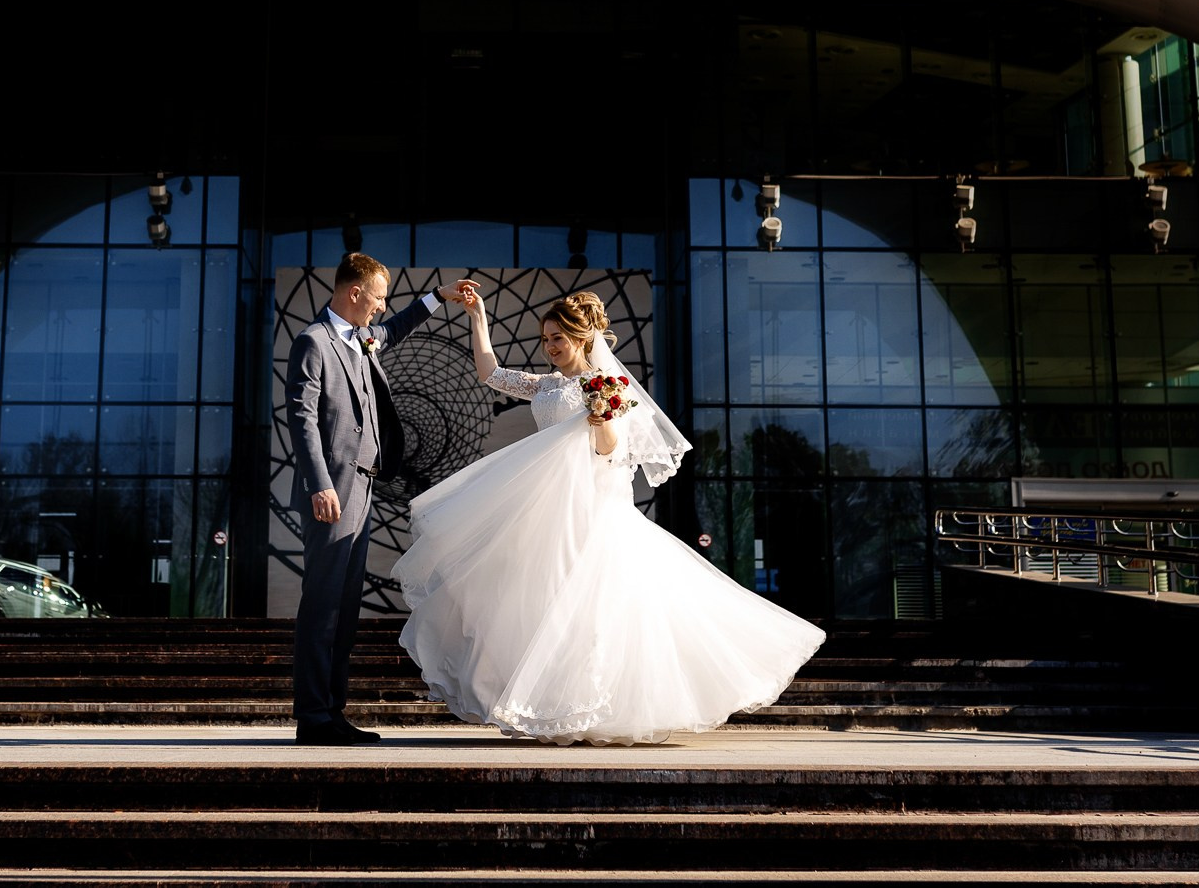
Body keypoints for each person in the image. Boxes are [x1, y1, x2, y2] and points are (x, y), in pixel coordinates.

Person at [393, 286, 825, 744]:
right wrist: (478, 315)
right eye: (545, 339)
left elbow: (611, 450)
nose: (551, 346)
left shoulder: (605, 385)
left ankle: (589, 707)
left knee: (589, 605)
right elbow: (491, 373)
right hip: (546, 509)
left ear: (582, 338)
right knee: (542, 603)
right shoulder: (548, 385)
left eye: (558, 337)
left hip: (588, 508)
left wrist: (600, 421)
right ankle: (551, 705)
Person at [284, 252, 478, 745]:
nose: (379, 307)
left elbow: (395, 330)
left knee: (346, 607)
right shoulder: (314, 341)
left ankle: (333, 712)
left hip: (364, 486)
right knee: (323, 604)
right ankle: (313, 717)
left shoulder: (359, 338)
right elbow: (302, 419)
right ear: (355, 292)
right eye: (377, 297)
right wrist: (319, 483)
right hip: (334, 489)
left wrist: (438, 297)